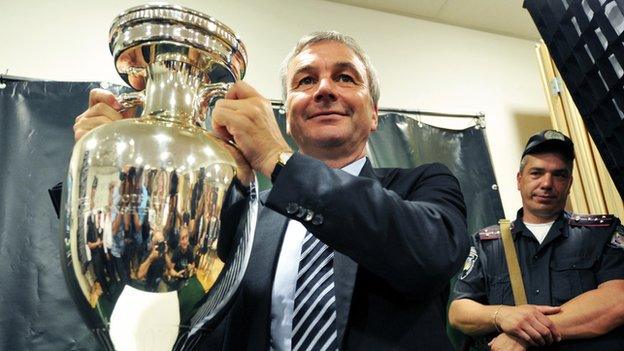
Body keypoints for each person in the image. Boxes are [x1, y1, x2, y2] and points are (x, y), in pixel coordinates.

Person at [73, 31, 469, 350]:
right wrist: (103, 175)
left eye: (345, 78)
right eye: (306, 80)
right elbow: (154, 273)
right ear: (288, 113)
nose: (324, 90)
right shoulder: (249, 214)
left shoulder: (423, 183)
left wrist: (278, 160)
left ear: (375, 114)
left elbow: (430, 255)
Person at [448, 130, 624, 350]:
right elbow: (459, 311)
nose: (547, 183)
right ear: (520, 180)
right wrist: (502, 315)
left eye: (559, 175)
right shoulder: (487, 244)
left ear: (569, 184)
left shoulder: (602, 232)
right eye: (536, 173)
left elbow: (617, 301)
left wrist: (523, 332)